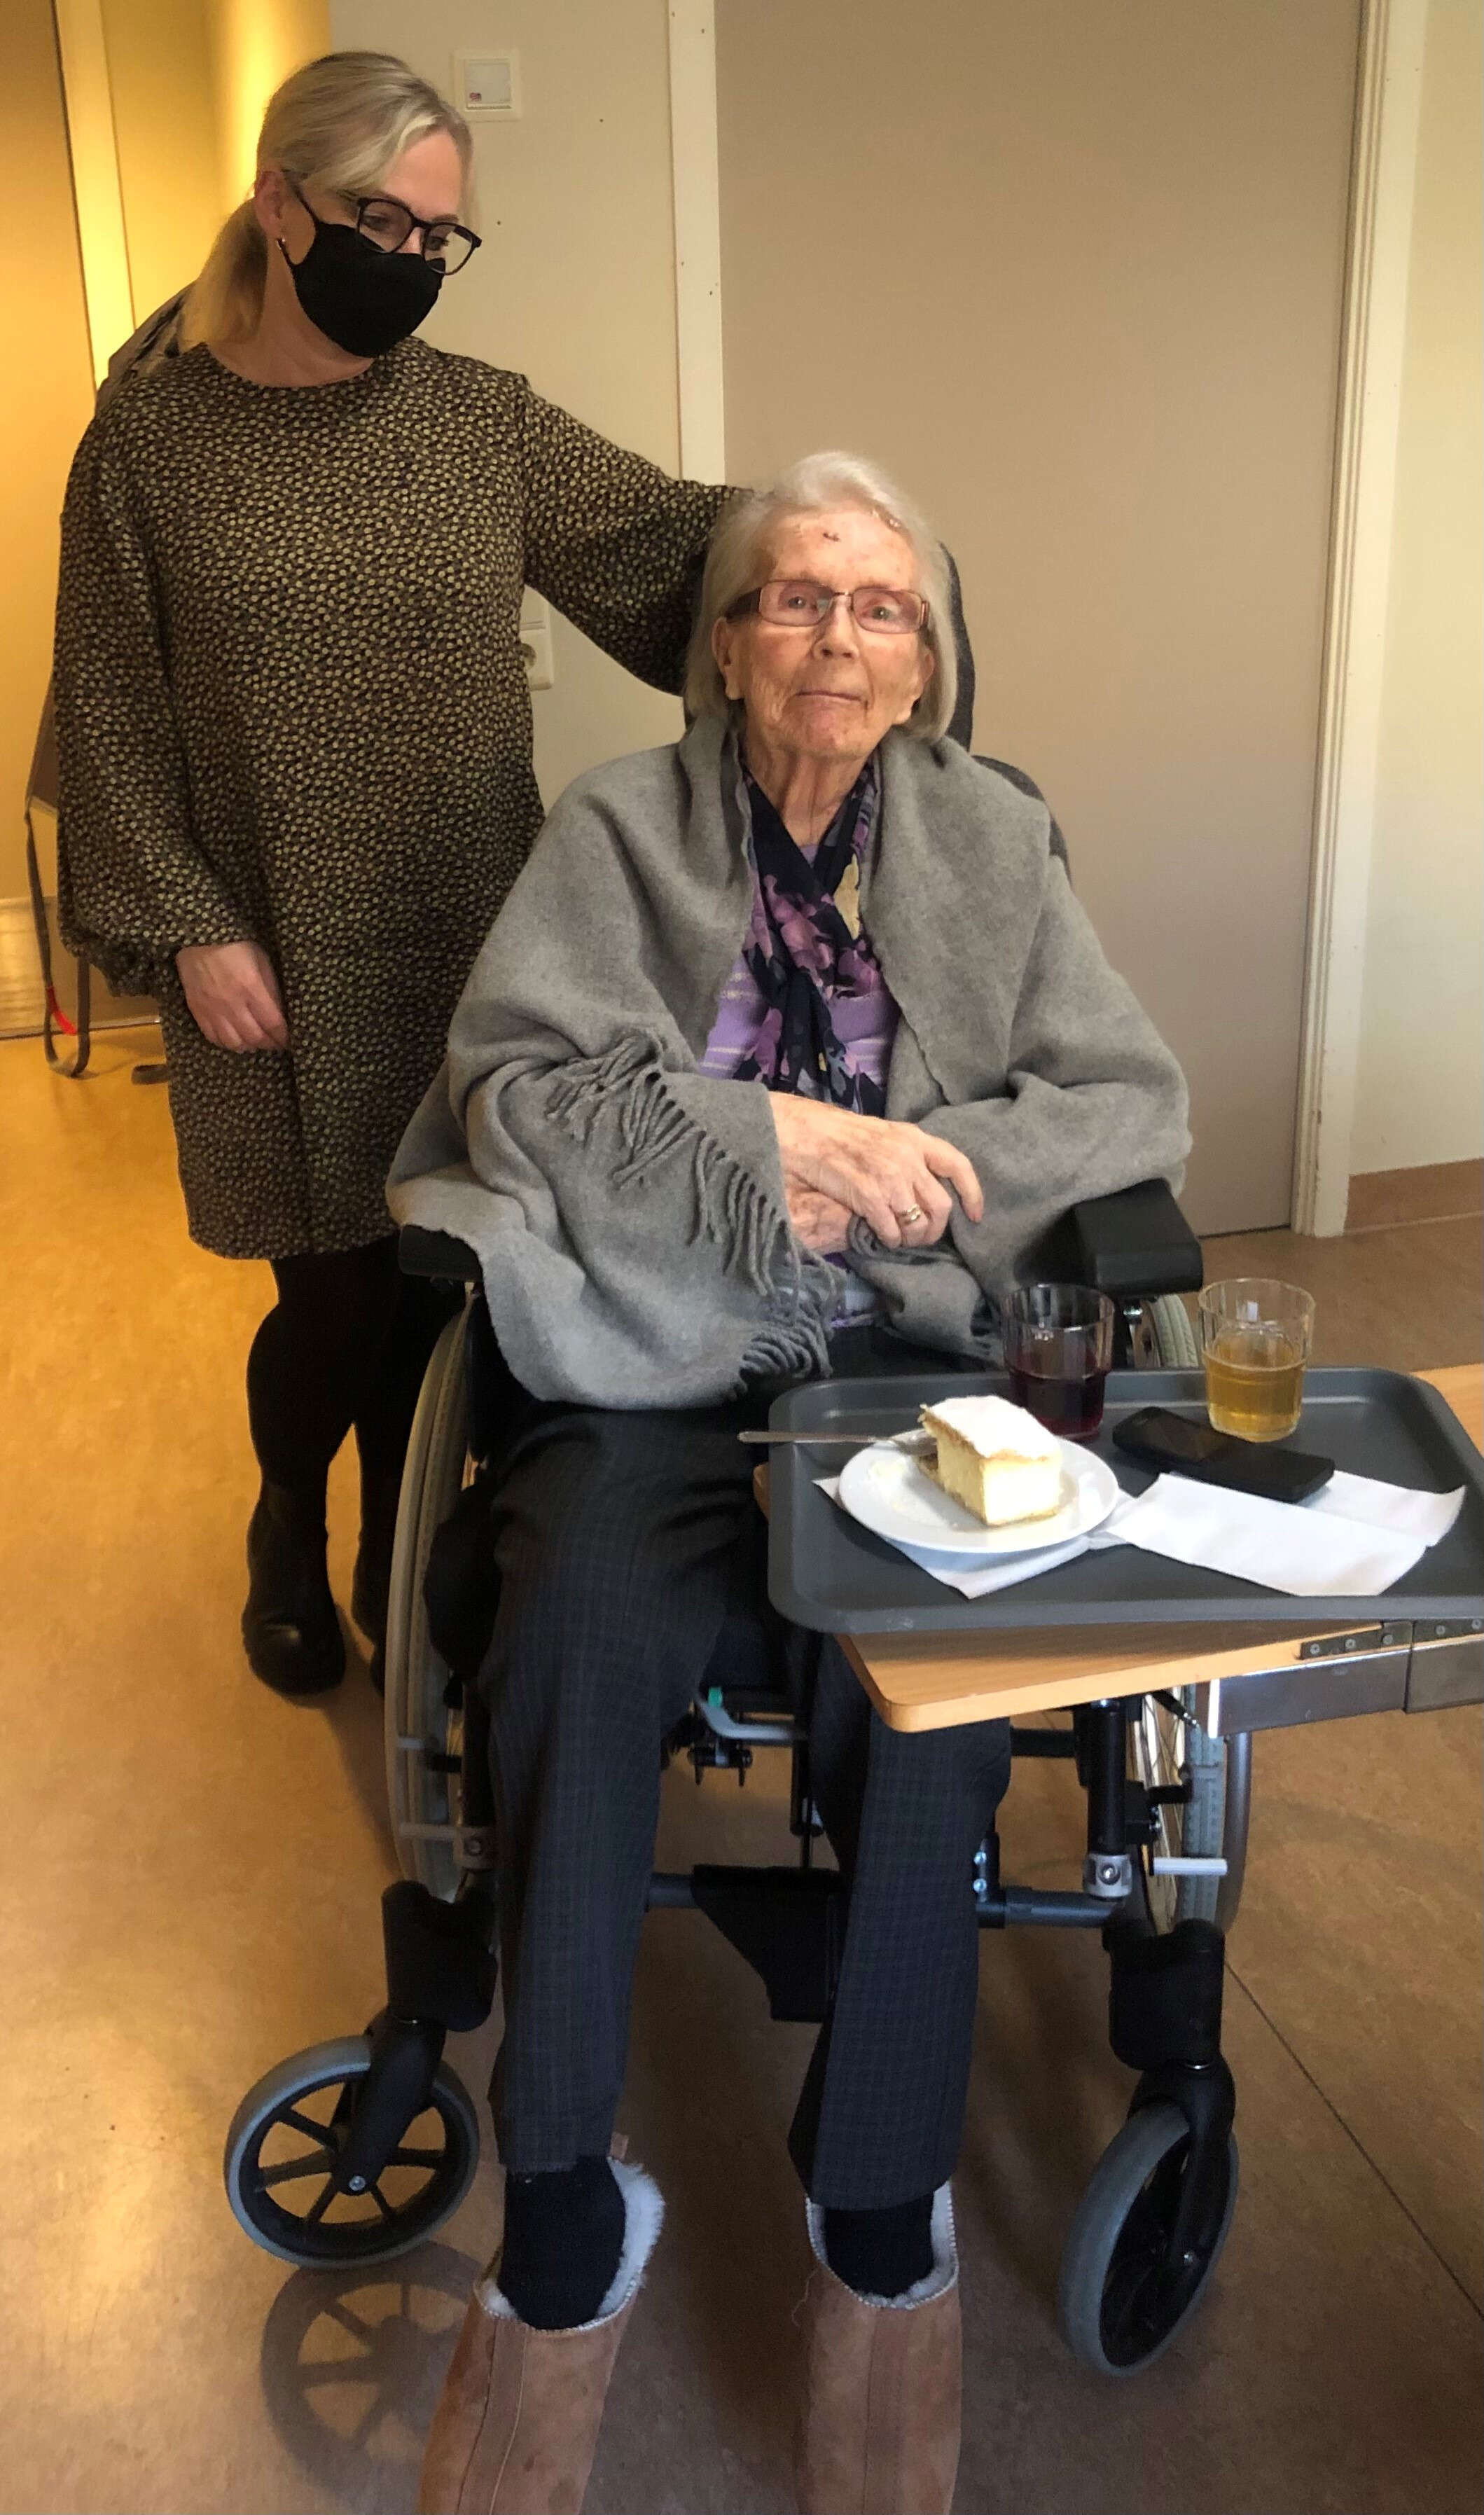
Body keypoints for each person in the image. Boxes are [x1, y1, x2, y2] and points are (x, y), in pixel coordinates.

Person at [389, 450, 1191, 2515]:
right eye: (797, 598)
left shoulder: (996, 841)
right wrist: (770, 1143)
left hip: (914, 1364)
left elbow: (1126, 1095)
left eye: (882, 606)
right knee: (569, 1628)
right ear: (727, 642)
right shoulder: (615, 829)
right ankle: (562, 2209)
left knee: (924, 1680)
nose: (840, 637)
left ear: (928, 663)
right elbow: (510, 1078)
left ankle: (879, 2203)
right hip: (650, 1355)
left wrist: (927, 1170)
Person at [51, 50, 729, 1697]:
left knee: (443, 1286)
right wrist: (187, 927)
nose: (413, 260)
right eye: (384, 222)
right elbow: (110, 712)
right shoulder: (148, 444)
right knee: (332, 1297)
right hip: (264, 945)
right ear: (281, 204)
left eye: (440, 236)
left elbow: (666, 547)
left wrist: (838, 562)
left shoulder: (479, 422)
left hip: (468, 936)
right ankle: (292, 1510)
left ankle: (398, 1535)